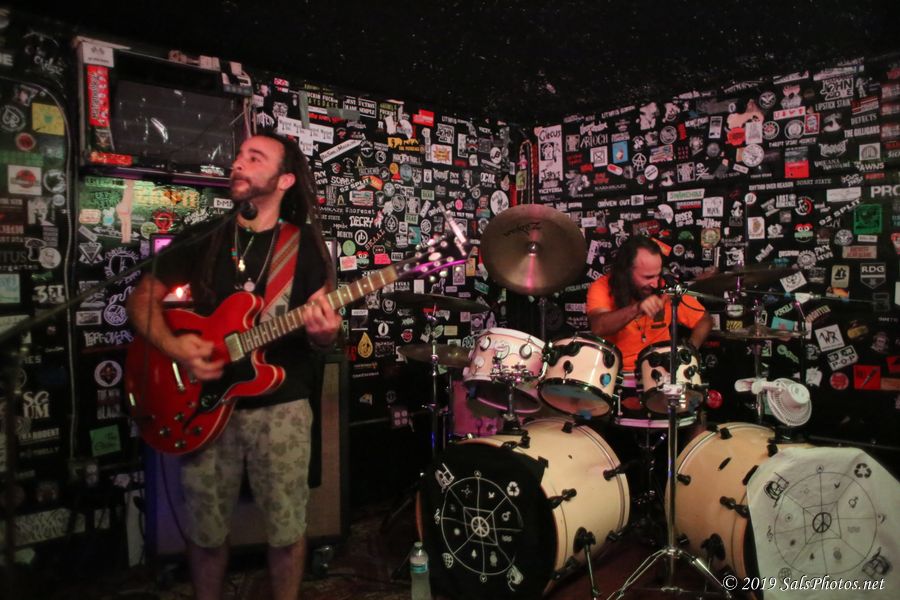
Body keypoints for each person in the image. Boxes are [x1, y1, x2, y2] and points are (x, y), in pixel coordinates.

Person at [127, 132, 342, 600]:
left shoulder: (304, 246)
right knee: (204, 532)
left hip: (281, 406)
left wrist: (325, 332)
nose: (238, 163)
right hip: (202, 407)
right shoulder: (206, 236)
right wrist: (177, 348)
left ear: (284, 180)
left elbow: (322, 332)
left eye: (254, 157)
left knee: (287, 529)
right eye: (239, 155)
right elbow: (142, 299)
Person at [587, 235, 712, 414]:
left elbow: (704, 319)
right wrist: (637, 308)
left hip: (663, 377)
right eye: (647, 277)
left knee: (696, 413)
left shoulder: (665, 288)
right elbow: (598, 326)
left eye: (657, 275)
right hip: (617, 380)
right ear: (626, 272)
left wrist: (688, 351)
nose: (654, 283)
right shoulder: (602, 287)